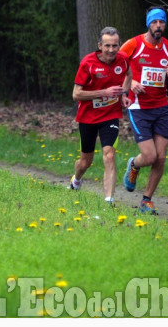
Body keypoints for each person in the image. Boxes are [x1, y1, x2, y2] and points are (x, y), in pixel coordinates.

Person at [119, 6, 168, 214]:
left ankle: (146, 200)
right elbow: (115, 68)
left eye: (162, 22)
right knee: (149, 157)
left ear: (165, 25)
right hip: (139, 106)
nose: (158, 26)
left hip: (161, 107)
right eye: (155, 22)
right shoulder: (133, 44)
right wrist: (130, 84)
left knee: (161, 157)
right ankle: (134, 165)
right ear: (148, 23)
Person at [70, 27, 131, 205]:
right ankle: (76, 180)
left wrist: (123, 93)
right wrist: (104, 92)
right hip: (88, 117)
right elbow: (76, 94)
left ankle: (108, 200)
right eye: (107, 46)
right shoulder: (87, 63)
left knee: (109, 154)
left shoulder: (123, 60)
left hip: (110, 115)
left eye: (115, 45)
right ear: (99, 45)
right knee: (85, 162)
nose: (111, 50)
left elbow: (129, 75)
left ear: (119, 45)